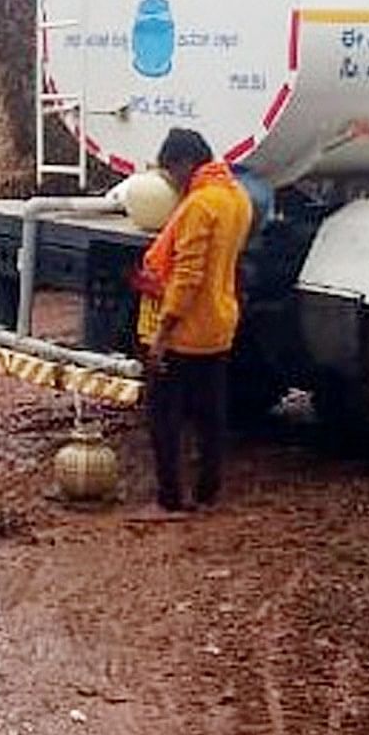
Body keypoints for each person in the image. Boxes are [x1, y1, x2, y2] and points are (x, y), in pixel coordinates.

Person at [133, 129, 253, 518]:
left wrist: (162, 335)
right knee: (210, 413)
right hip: (220, 323)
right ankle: (207, 493)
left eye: (173, 172)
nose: (173, 181)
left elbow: (187, 276)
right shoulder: (238, 198)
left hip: (186, 330)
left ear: (187, 162)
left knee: (164, 414)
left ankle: (170, 499)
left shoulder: (200, 205)